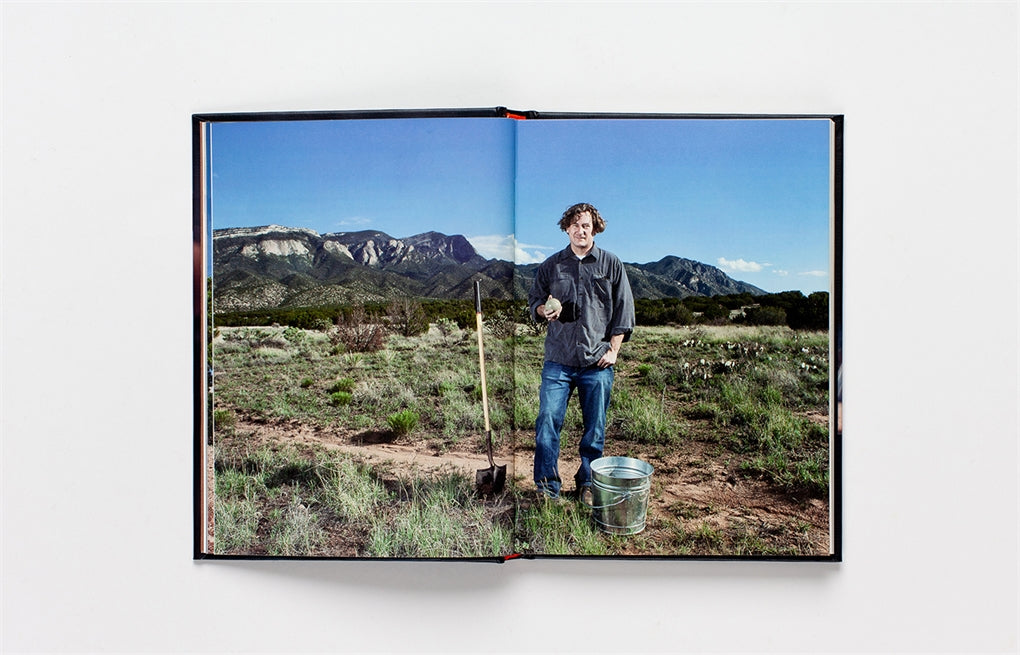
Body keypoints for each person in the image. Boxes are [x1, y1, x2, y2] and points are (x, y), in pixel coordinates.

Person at [528, 202, 635, 503]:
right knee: (547, 421)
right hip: (558, 360)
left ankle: (587, 483)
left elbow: (624, 311)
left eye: (586, 225)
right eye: (574, 225)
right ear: (566, 228)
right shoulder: (552, 265)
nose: (580, 230)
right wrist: (541, 310)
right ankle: (547, 488)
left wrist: (614, 351)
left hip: (596, 362)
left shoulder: (611, 264)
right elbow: (534, 300)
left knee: (595, 428)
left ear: (594, 228)